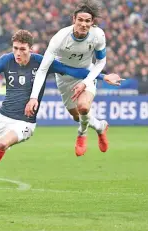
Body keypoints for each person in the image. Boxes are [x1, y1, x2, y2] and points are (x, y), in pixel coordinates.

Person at [0, 29, 122, 205]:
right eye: (15, 48)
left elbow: (71, 71)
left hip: (25, 121)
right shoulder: (5, 60)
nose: (18, 53)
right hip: (2, 115)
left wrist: (104, 77)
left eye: (23, 49)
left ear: (31, 48)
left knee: (2, 144)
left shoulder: (41, 62)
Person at [25, 0, 110, 156]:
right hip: (64, 79)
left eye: (87, 21)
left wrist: (85, 83)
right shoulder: (60, 38)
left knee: (83, 107)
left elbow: (100, 62)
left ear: (92, 23)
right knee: (77, 116)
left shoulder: (98, 35)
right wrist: (33, 97)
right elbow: (43, 70)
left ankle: (82, 133)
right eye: (80, 20)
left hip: (86, 75)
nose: (83, 24)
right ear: (74, 20)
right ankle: (99, 126)